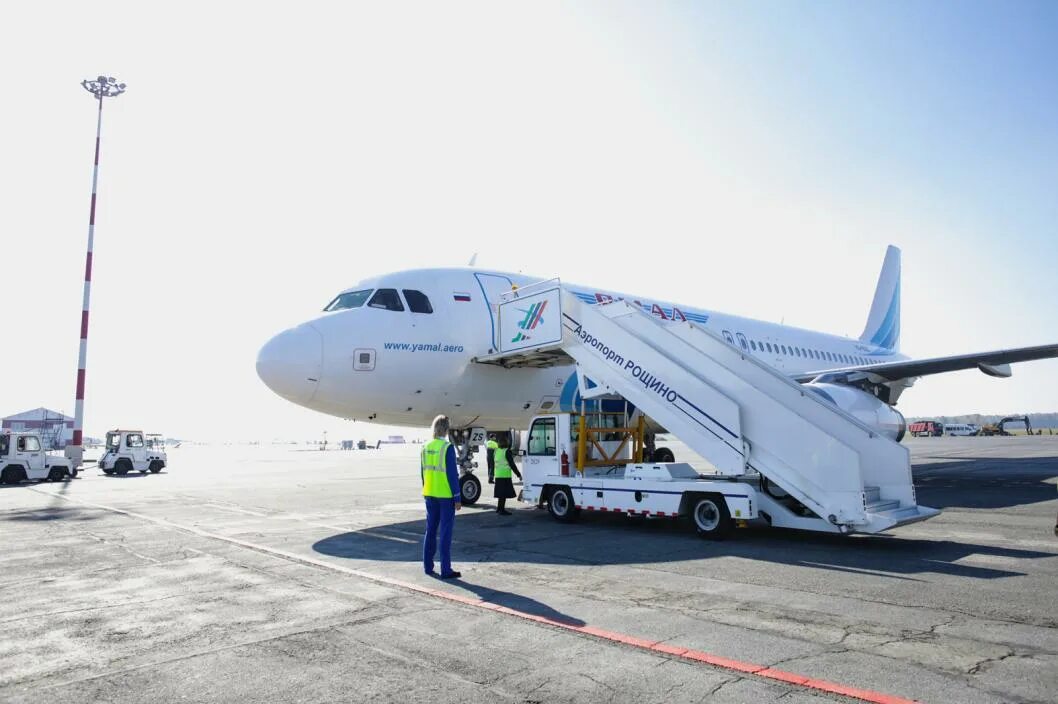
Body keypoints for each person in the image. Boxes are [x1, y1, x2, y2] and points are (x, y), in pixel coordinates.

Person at [421, 415, 461, 579]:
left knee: (430, 531)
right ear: (446, 430)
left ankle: (428, 566)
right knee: (445, 533)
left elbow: (422, 472)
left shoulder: (425, 446)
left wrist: (426, 489)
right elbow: (452, 475)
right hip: (445, 496)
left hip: (429, 494)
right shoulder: (447, 448)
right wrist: (457, 497)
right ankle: (446, 569)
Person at [493, 432, 522, 516]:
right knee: (504, 494)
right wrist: (518, 474)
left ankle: (499, 508)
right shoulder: (507, 451)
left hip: (498, 475)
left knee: (500, 494)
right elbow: (512, 464)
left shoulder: (496, 451)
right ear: (506, 442)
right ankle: (501, 510)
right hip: (505, 475)